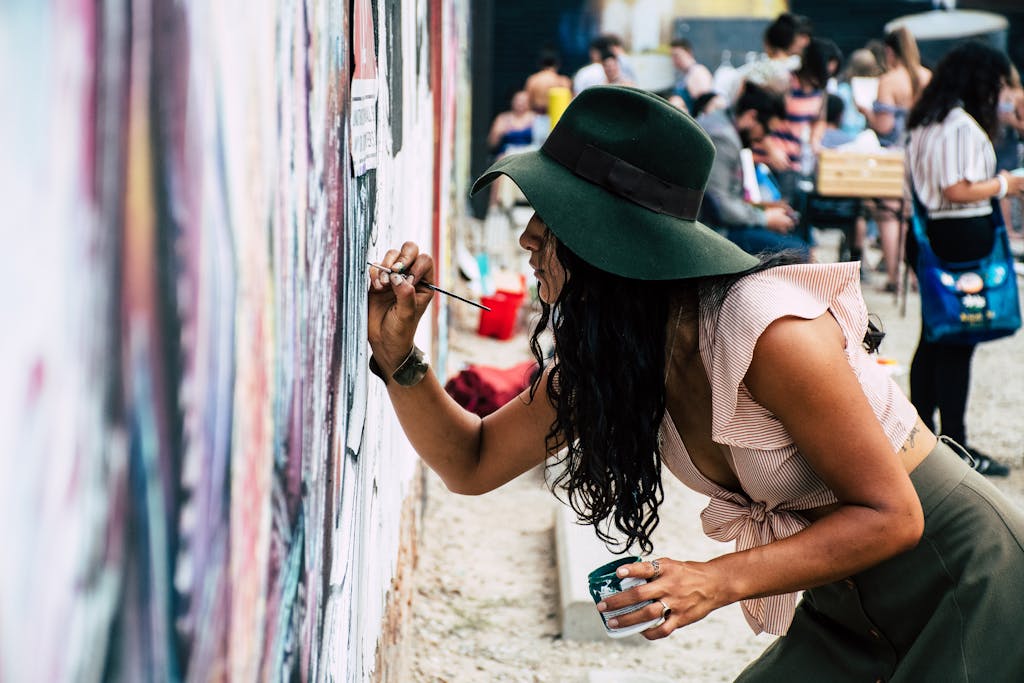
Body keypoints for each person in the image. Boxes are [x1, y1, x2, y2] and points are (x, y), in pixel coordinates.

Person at [367, 85, 1024, 680]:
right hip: (847, 591)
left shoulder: (768, 329)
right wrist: (400, 356)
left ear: (614, 243)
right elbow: (473, 460)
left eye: (553, 215)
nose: (529, 236)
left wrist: (713, 580)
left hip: (963, 576)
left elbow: (894, 514)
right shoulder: (620, 360)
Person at [905, 41, 1024, 478]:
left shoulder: (924, 122)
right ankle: (954, 445)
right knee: (957, 340)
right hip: (961, 236)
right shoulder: (957, 125)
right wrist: (1004, 184)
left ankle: (921, 433)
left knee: (936, 335)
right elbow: (957, 189)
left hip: (933, 234)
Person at [859, 27, 931, 294]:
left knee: (890, 214)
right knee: (919, 215)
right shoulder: (928, 77)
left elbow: (885, 126)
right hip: (926, 156)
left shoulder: (889, 81)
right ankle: (917, 276)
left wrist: (868, 112)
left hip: (896, 157)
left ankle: (895, 277)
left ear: (890, 51)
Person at [699, 82, 808, 259]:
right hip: (715, 233)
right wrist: (765, 219)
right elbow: (720, 206)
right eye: (766, 131)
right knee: (799, 252)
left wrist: (767, 209)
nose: (764, 139)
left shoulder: (724, 125)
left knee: (796, 235)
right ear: (751, 116)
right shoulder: (723, 137)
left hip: (720, 226)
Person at [668, 38, 713, 112]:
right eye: (671, 56)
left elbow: (706, 102)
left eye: (676, 55)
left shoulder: (698, 71)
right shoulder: (685, 75)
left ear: (689, 53)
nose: (674, 60)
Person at [524, 48, 572, 114]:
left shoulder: (533, 80)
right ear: (557, 64)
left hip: (539, 116)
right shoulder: (563, 81)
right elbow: (570, 103)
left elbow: (527, 102)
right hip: (558, 116)